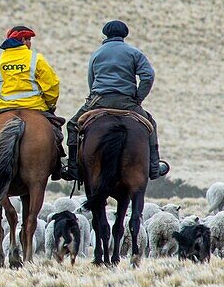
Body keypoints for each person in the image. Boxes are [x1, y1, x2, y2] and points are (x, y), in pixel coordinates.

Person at [65, 20, 169, 180]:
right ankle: (154, 167)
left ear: (105, 33)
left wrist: (95, 97)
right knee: (151, 125)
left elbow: (91, 81)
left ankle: (73, 168)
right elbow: (148, 76)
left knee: (73, 125)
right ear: (124, 34)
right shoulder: (135, 53)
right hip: (127, 101)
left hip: (99, 100)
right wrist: (138, 97)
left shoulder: (97, 53)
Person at [0, 25, 66, 179]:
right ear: (21, 40)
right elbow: (52, 85)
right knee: (56, 130)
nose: (29, 43)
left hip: (3, 107)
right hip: (34, 106)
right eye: (27, 39)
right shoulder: (36, 59)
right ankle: (58, 165)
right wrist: (50, 104)